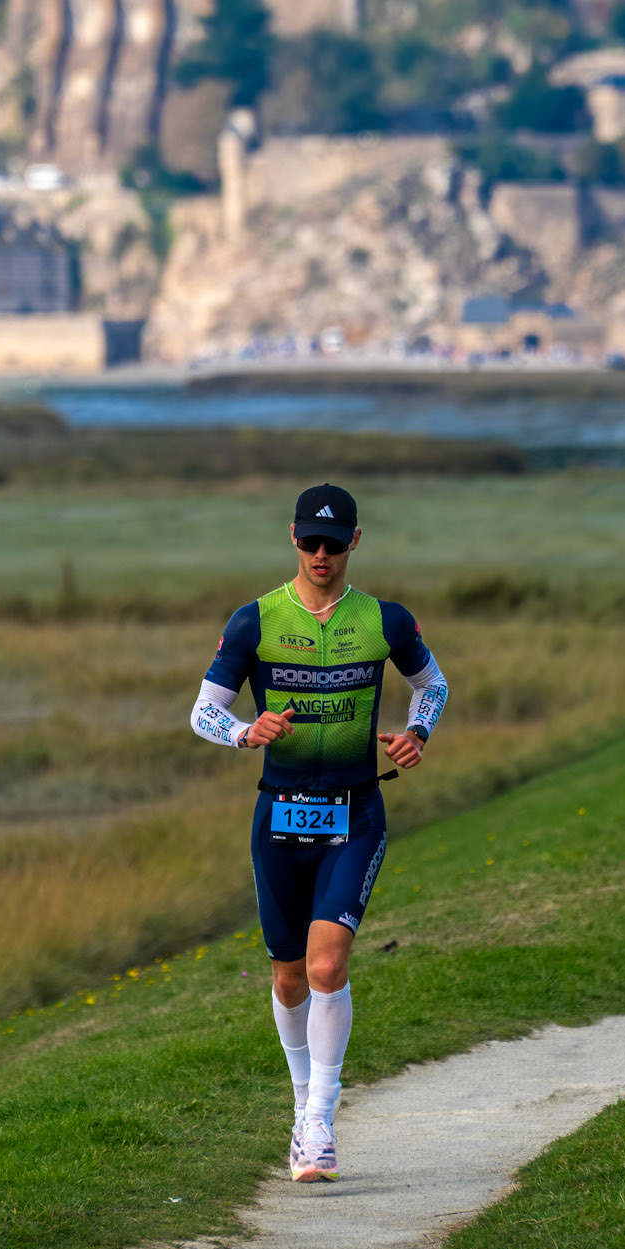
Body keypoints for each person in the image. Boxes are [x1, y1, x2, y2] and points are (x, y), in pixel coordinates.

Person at [190, 482, 448, 1182]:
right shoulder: (255, 622)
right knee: (288, 974)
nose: (323, 554)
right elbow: (202, 714)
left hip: (355, 813)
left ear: (355, 543)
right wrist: (247, 732)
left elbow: (435, 685)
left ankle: (319, 1121)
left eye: (336, 543)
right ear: (293, 538)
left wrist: (418, 732)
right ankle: (302, 1104)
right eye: (311, 541)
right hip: (278, 813)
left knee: (329, 964)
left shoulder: (385, 620)